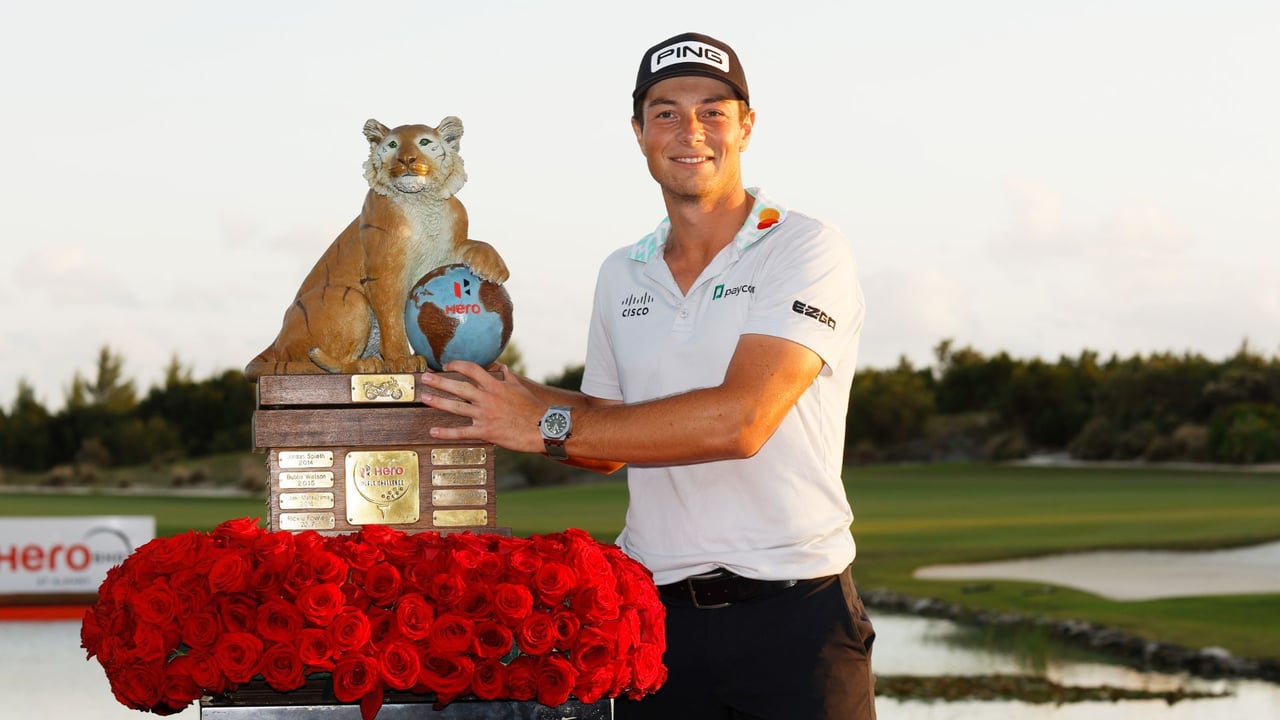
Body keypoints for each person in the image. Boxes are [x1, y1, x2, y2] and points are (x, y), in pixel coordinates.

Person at [419, 30, 876, 720]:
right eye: (665, 112)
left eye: (712, 111)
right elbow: (603, 435)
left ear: (746, 127)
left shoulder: (804, 246)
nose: (689, 129)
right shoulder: (620, 271)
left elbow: (741, 419)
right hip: (659, 623)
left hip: (797, 619)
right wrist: (495, 396)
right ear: (638, 132)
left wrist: (542, 421)